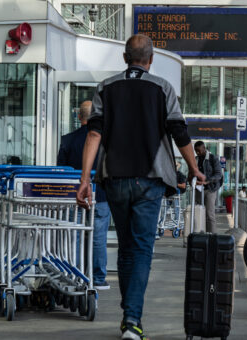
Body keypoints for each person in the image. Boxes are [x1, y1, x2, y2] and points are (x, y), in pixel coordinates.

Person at [76, 34, 205, 340]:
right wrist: (194, 167)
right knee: (142, 249)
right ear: (150, 60)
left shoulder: (106, 88)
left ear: (125, 58)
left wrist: (84, 180)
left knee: (126, 247)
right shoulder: (162, 88)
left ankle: (128, 314)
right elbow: (179, 131)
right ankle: (132, 320)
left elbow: (93, 134)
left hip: (115, 179)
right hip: (150, 181)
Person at [57, 100, 111, 291]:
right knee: (98, 237)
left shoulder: (67, 140)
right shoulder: (106, 141)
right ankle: (98, 277)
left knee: (76, 236)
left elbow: (61, 171)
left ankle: (75, 272)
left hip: (75, 196)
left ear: (79, 117)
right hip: (101, 196)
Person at [194, 141, 222, 233]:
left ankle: (212, 236)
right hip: (198, 190)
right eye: (196, 151)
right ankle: (200, 234)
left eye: (199, 151)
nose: (198, 153)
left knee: (209, 214)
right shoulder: (196, 159)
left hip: (210, 189)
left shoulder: (213, 158)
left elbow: (218, 174)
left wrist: (207, 181)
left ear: (204, 148)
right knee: (199, 213)